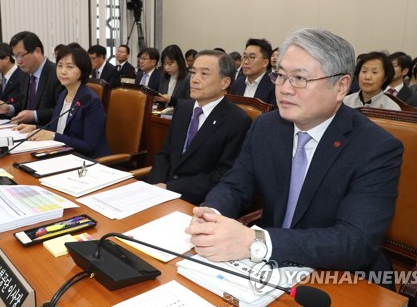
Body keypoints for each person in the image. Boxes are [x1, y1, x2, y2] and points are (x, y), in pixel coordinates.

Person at [185, 28, 403, 290]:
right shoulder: (266, 127)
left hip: (340, 277)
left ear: (341, 86)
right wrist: (211, 214)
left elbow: (354, 241)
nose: (285, 89)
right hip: (268, 269)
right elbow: (234, 184)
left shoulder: (376, 148)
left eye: (300, 78)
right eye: (281, 76)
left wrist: (257, 241)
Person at [147, 50, 252, 205]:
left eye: (204, 74)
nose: (194, 79)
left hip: (199, 202)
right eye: (193, 72)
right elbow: (165, 154)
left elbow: (222, 175)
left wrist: (170, 187)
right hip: (161, 193)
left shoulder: (238, 121)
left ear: (225, 82)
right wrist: (154, 188)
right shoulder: (183, 108)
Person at [15, 43, 110, 158]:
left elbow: (89, 145)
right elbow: (58, 129)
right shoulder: (63, 94)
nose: (63, 71)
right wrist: (35, 128)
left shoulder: (91, 101)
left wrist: (53, 136)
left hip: (87, 161)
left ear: (83, 70)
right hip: (63, 154)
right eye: (59, 65)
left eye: (70, 67)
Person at [0, 31, 64, 125]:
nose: (18, 62)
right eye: (15, 56)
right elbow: (24, 103)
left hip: (45, 132)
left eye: (21, 56)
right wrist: (9, 108)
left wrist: (35, 115)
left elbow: (62, 111)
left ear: (37, 51)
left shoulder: (57, 74)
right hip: (24, 130)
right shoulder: (24, 74)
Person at [230, 38, 276, 106]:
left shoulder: (274, 86)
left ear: (265, 62)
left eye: (252, 57)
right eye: (245, 57)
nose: (245, 62)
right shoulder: (237, 84)